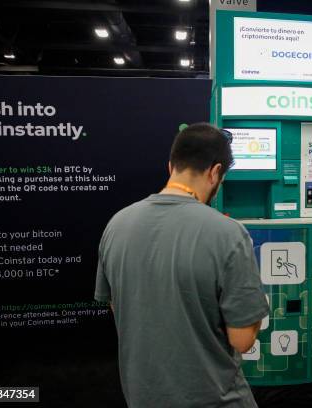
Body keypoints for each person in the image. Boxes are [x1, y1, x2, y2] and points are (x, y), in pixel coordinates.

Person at [94, 123, 269, 408]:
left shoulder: (117, 224)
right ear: (215, 172)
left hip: (142, 397)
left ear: (171, 166)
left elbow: (118, 308)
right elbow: (242, 340)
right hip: (215, 399)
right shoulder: (228, 234)